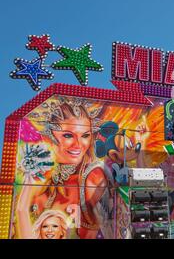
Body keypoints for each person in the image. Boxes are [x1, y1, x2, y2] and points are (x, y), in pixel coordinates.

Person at [16, 100, 109, 239]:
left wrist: (22, 210)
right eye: (68, 135)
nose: (78, 145)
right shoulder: (39, 177)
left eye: (85, 135)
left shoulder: (93, 177)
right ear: (50, 136)